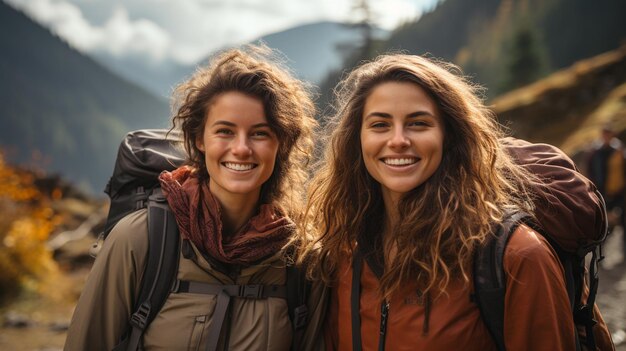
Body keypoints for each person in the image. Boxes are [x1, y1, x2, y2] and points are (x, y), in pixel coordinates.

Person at [297, 53, 614, 350]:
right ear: (358, 139)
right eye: (380, 124)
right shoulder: (342, 253)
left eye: (418, 123)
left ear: (450, 136)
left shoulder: (515, 257)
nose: (397, 140)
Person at [65, 47, 327, 350]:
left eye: (260, 133)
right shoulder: (141, 240)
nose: (241, 148)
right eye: (225, 131)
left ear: (280, 144)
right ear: (199, 140)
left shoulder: (302, 258)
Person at [587, 125, 625, 247]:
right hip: (602, 193)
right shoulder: (595, 153)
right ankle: (600, 258)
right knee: (602, 226)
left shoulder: (620, 152)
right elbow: (591, 173)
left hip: (619, 193)